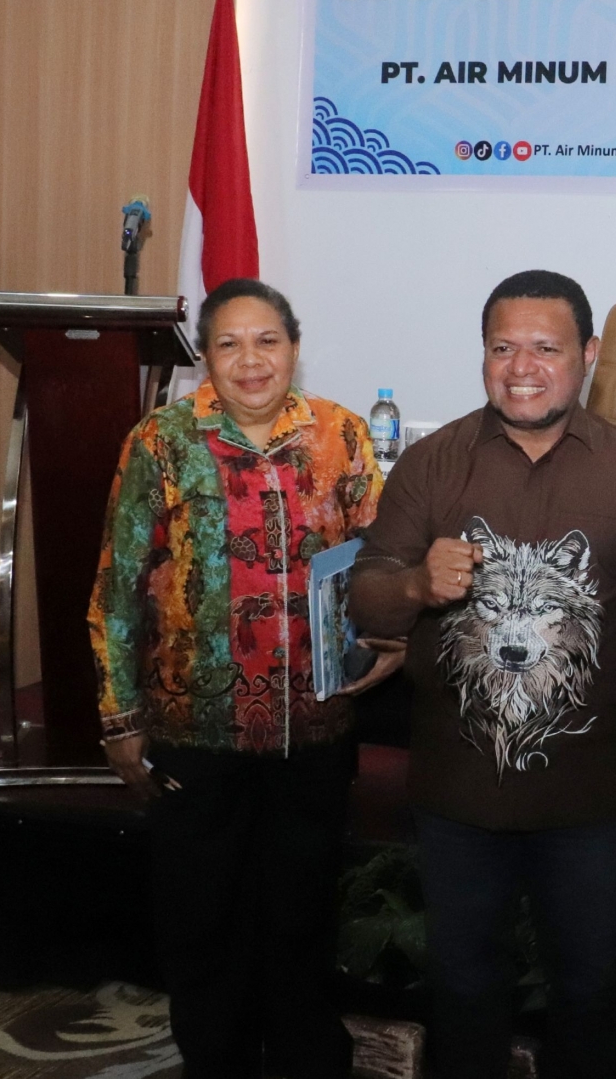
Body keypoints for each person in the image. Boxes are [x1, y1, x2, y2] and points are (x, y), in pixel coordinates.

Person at [350, 269, 616, 1079]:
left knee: (588, 991)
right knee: (464, 990)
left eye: (546, 347)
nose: (522, 367)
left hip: (591, 800)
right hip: (457, 795)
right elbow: (365, 598)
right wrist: (415, 583)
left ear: (589, 354)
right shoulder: (432, 464)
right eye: (503, 348)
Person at [90, 278, 400, 1079]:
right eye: (229, 343)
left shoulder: (341, 434)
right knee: (202, 921)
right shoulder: (160, 441)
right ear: (205, 358)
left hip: (315, 728)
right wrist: (120, 716)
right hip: (195, 734)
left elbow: (380, 564)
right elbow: (118, 588)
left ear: (294, 348)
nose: (250, 359)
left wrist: (393, 637)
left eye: (267, 340)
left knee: (302, 915)